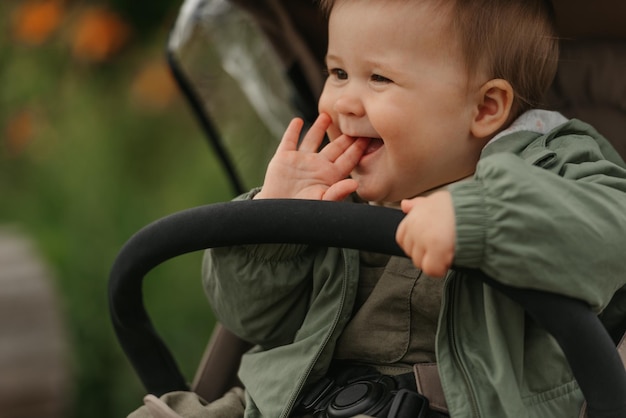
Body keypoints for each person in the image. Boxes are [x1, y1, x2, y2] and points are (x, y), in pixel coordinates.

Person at [129, 0, 626, 417]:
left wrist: (480, 218)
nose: (344, 101)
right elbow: (250, 321)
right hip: (294, 401)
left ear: (485, 109)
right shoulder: (337, 189)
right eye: (338, 72)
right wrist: (274, 224)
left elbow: (609, 232)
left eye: (379, 78)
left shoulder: (553, 166)